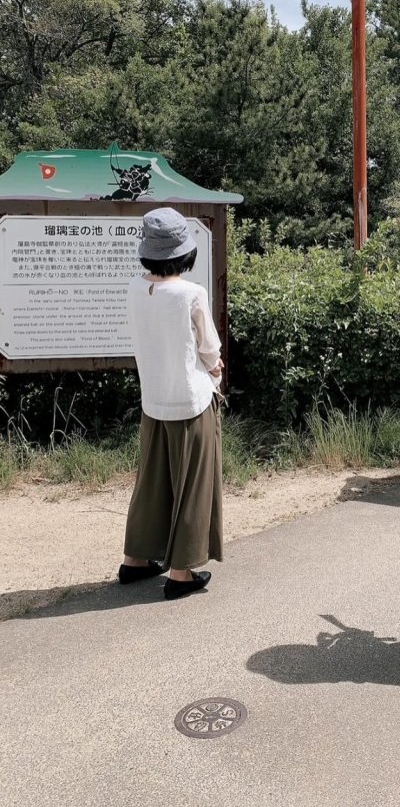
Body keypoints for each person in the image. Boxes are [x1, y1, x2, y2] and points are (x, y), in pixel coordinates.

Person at [118, 208, 224, 601]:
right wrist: (215, 371)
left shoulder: (134, 287)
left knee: (152, 481)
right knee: (194, 485)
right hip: (191, 401)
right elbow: (209, 349)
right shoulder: (191, 293)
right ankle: (181, 573)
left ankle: (136, 560)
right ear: (184, 252)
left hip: (154, 399)